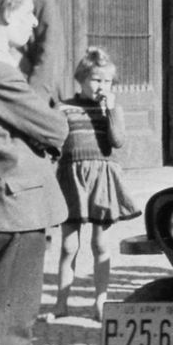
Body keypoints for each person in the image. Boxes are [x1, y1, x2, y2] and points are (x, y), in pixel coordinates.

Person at [0, 0, 68, 345]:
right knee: (11, 312)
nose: (34, 22)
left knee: (4, 307)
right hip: (13, 202)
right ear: (3, 14)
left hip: (7, 199)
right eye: (26, 14)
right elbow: (52, 126)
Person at [50, 48, 139, 321]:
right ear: (81, 78)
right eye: (96, 79)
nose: (102, 86)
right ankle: (61, 302)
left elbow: (118, 140)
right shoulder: (64, 107)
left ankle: (100, 301)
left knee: (101, 243)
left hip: (101, 179)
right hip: (71, 179)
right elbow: (54, 142)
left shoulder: (111, 109)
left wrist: (110, 109)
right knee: (68, 245)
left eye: (107, 81)